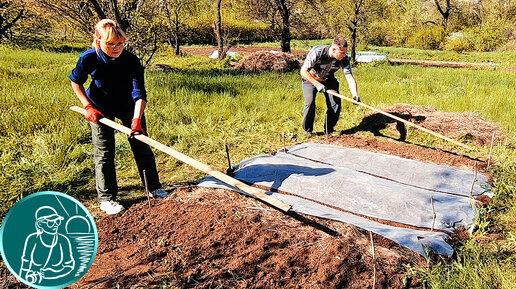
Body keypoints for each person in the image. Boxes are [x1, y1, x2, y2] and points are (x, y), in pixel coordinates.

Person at [70, 19, 168, 215]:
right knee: (105, 153)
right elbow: (76, 82)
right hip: (99, 107)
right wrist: (88, 106)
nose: (116, 48)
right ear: (97, 40)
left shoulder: (131, 60)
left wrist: (136, 121)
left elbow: (140, 93)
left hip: (128, 107)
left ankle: (153, 188)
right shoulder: (88, 58)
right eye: (110, 43)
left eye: (120, 43)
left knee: (142, 145)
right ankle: (107, 199)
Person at [300, 34, 360, 135]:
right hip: (310, 78)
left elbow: (349, 77)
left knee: (335, 102)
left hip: (328, 79)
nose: (344, 55)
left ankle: (329, 130)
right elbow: (303, 71)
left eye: (345, 52)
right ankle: (307, 131)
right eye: (341, 53)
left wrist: (355, 94)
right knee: (310, 103)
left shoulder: (344, 59)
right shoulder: (317, 52)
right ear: (333, 50)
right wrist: (317, 84)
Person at [20, 206, 74, 284]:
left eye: (57, 221)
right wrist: (23, 281)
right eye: (50, 223)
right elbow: (25, 264)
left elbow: (69, 266)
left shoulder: (63, 240)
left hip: (58, 282)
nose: (55, 225)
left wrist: (55, 274)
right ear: (40, 224)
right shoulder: (32, 239)